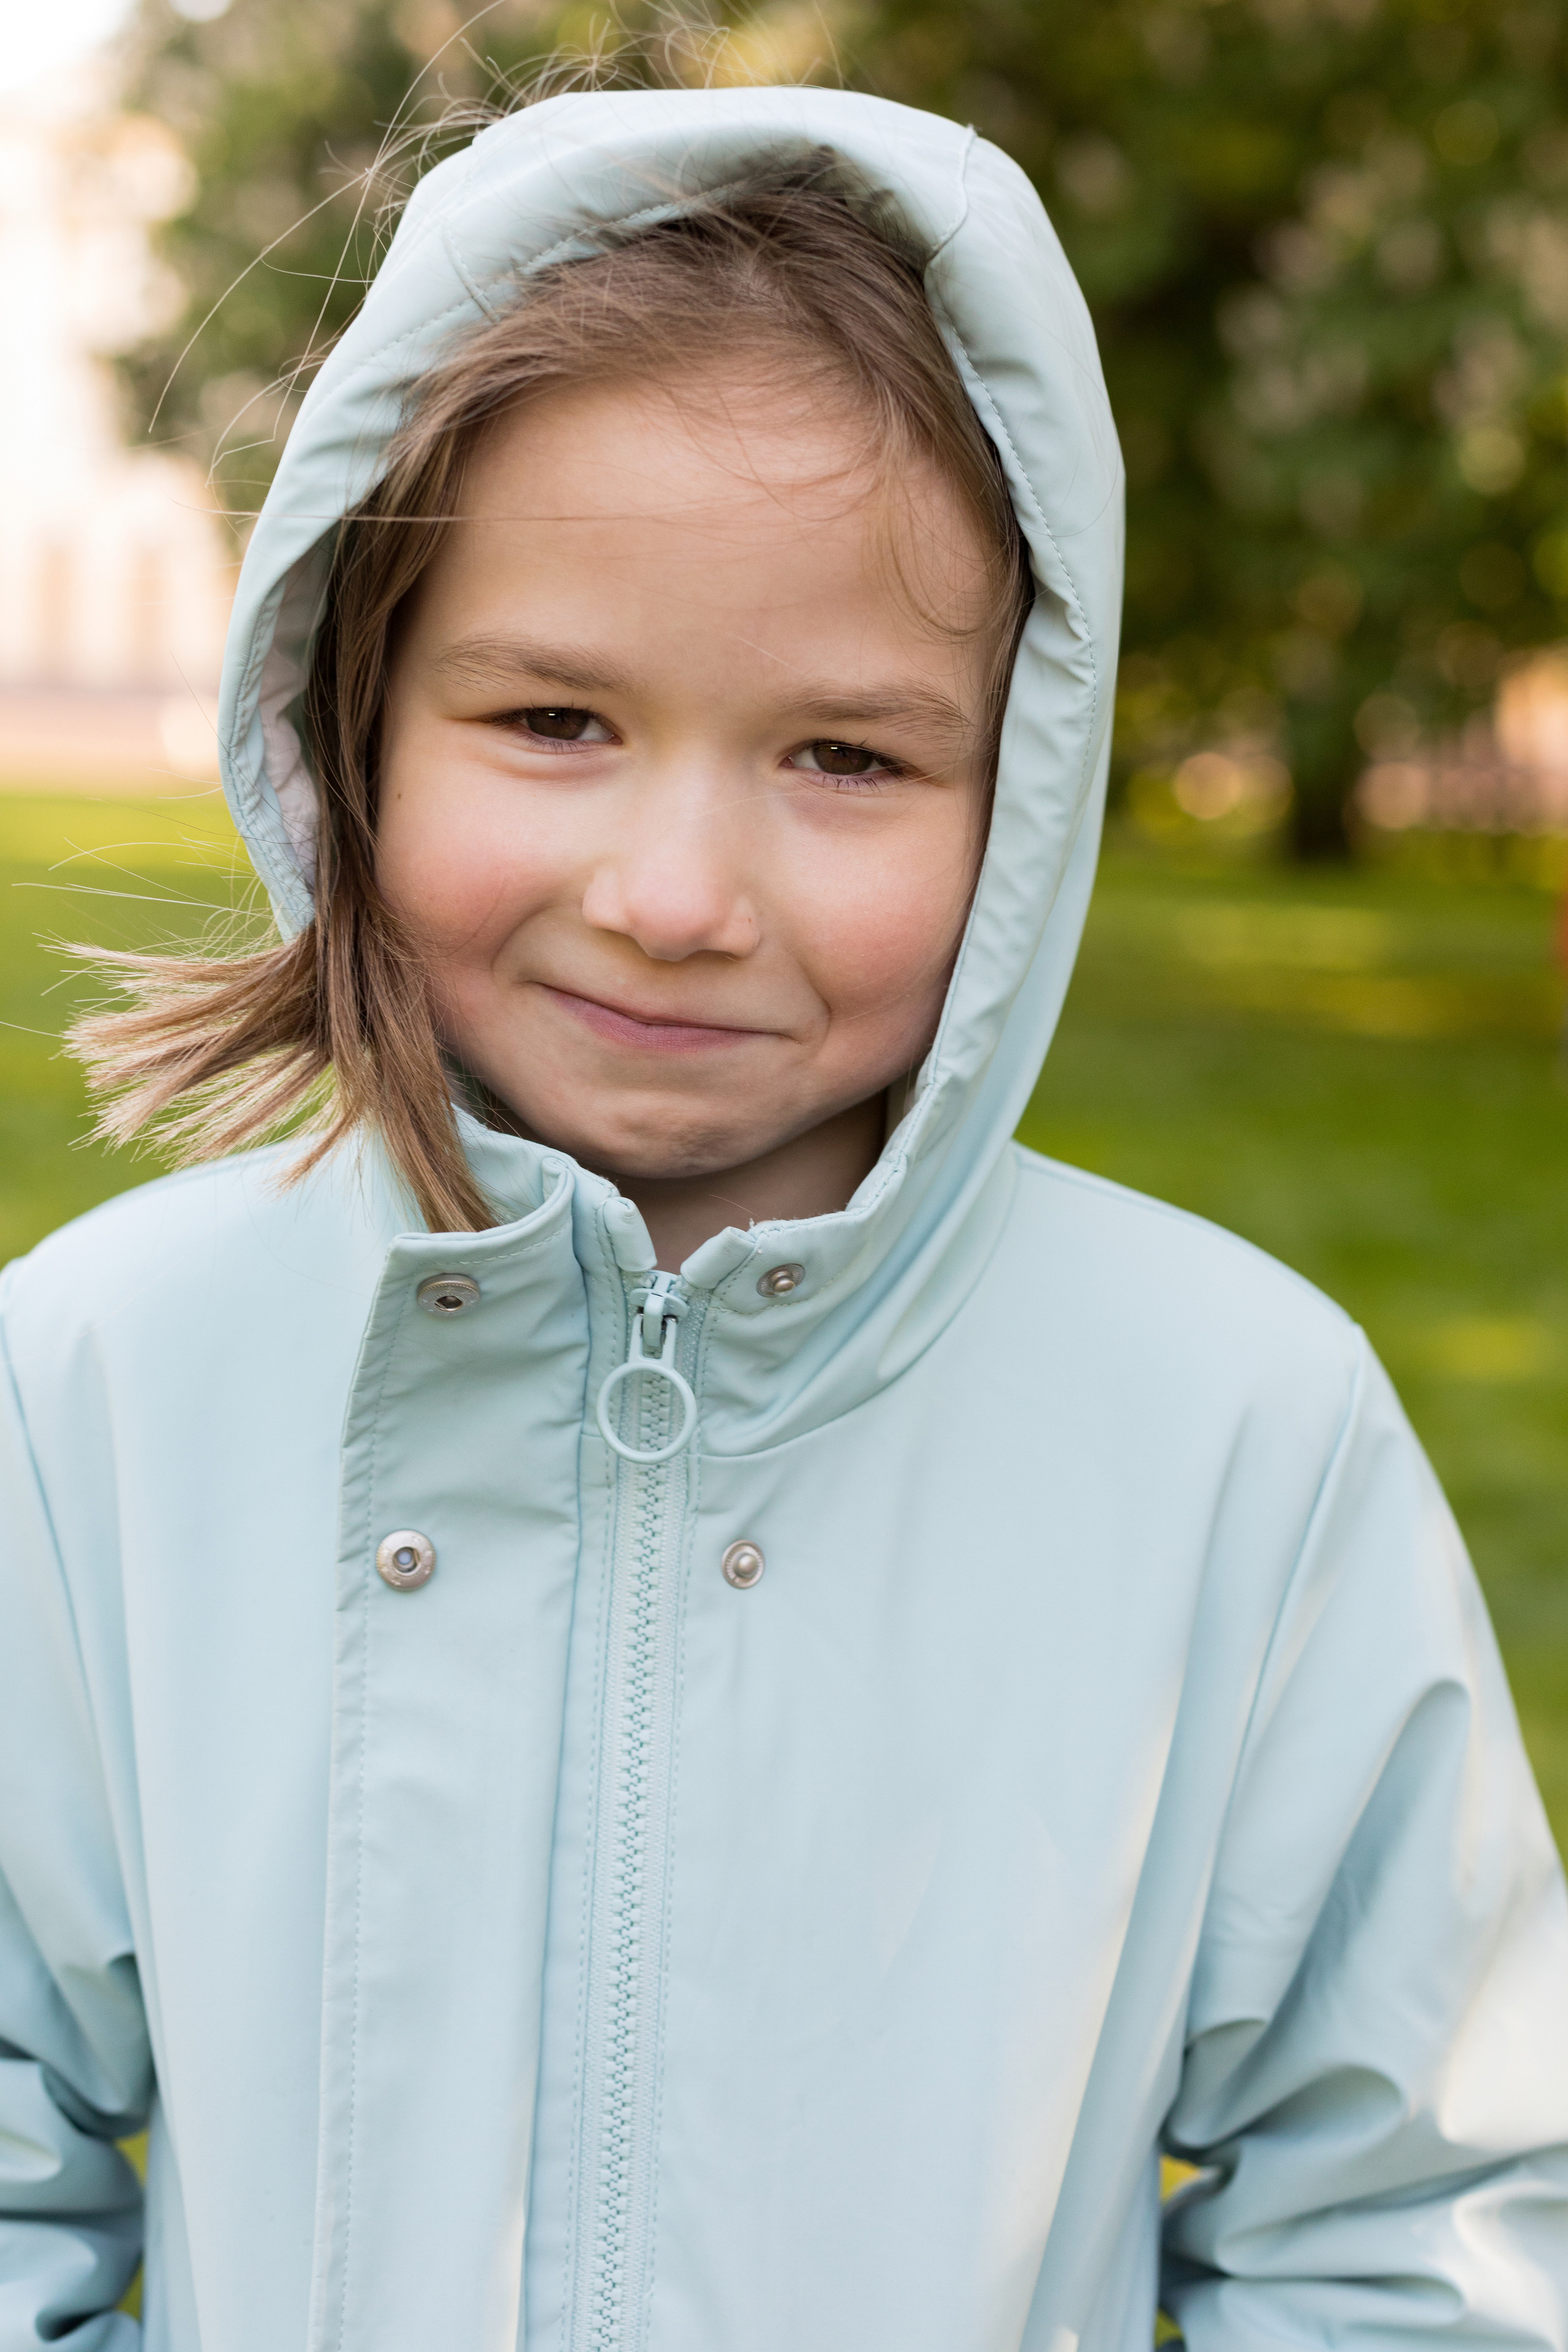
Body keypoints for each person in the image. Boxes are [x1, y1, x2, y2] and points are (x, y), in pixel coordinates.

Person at [1, 83, 1564, 2352]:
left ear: (1019, 783)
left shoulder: (1235, 1430)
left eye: (846, 756)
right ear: (358, 718)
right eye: (552, 718)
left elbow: (1426, 2217)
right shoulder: (100, 1386)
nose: (677, 898)